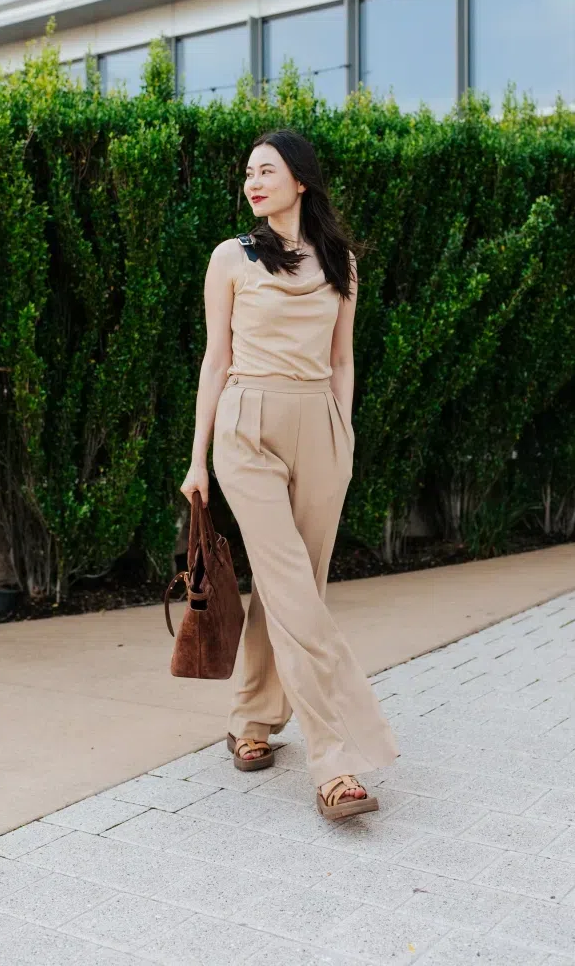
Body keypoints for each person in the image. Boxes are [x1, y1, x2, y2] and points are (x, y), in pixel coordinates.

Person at [180, 128, 399, 821]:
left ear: (301, 180)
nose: (253, 182)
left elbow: (342, 359)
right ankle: (334, 760)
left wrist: (344, 433)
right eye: (248, 172)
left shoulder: (340, 262)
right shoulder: (231, 257)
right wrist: (197, 458)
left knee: (296, 587)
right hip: (247, 426)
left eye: (266, 171)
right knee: (292, 589)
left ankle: (251, 718)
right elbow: (216, 359)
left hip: (320, 426)